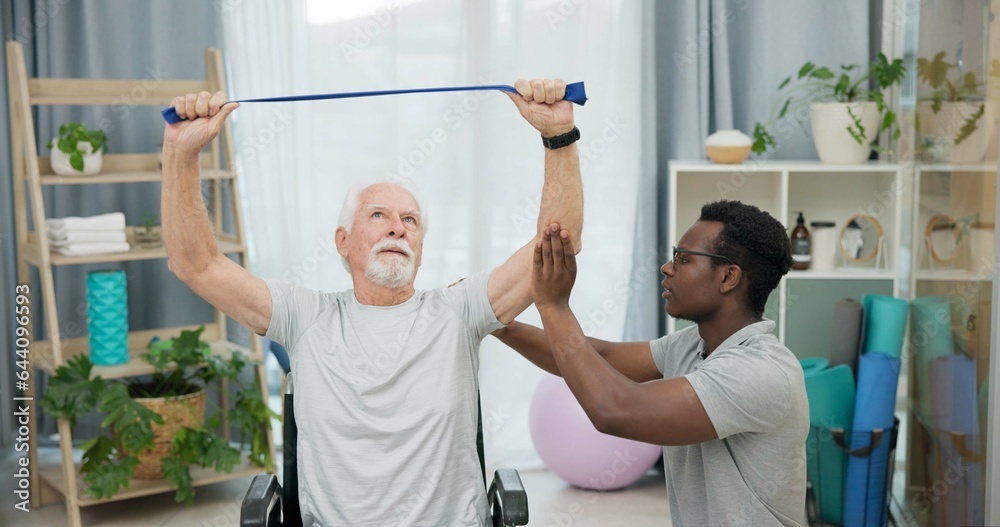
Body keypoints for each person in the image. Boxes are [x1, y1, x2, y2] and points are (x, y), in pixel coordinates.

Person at [161, 79, 583, 526]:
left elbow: (559, 243)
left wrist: (559, 137)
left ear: (419, 247)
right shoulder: (305, 316)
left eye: (410, 221)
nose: (397, 228)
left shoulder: (459, 310)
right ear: (343, 241)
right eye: (378, 215)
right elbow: (196, 264)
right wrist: (181, 155)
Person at [496, 201, 809, 526]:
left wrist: (553, 306)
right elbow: (600, 357)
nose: (667, 267)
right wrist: (499, 323)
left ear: (728, 277)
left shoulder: (760, 370)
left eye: (683, 259)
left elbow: (614, 409)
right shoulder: (691, 345)